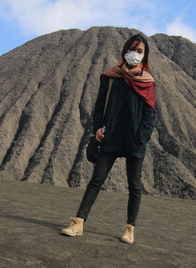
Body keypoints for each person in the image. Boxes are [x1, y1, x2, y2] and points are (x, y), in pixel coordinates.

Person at [61, 33, 156, 244]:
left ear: (145, 55)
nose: (135, 54)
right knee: (96, 180)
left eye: (140, 51)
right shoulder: (111, 77)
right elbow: (98, 107)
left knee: (134, 186)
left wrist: (142, 136)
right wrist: (97, 129)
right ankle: (78, 222)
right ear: (125, 51)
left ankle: (130, 229)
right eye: (132, 49)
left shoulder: (147, 82)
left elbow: (150, 114)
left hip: (134, 139)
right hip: (111, 136)